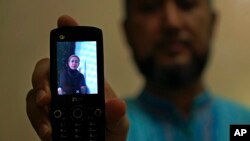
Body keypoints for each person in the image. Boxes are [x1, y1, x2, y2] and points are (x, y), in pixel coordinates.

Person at [26, 0, 250, 141]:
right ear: (127, 32)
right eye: (149, 7)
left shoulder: (244, 124)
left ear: (212, 22)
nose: (171, 22)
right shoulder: (109, 129)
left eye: (187, 4)